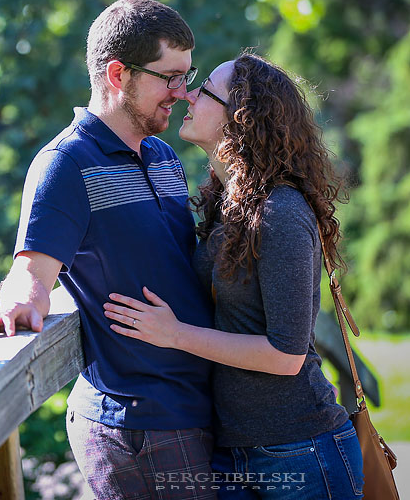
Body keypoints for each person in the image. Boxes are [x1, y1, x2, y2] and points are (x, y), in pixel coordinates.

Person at [0, 0, 216, 500]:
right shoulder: (65, 164)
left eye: (186, 76)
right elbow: (32, 273)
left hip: (195, 402)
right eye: (169, 77)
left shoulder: (164, 155)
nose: (182, 93)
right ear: (119, 74)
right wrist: (16, 304)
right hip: (142, 420)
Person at [102, 53, 364, 499]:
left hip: (301, 448)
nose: (185, 93)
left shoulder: (280, 212)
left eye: (202, 91)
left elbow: (286, 356)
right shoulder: (228, 206)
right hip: (234, 449)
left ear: (240, 117)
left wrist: (175, 334)